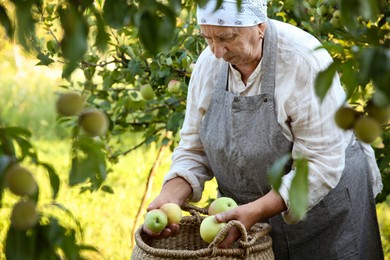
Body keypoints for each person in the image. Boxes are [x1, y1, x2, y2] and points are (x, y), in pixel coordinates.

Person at [144, 0, 384, 259]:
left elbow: (321, 163)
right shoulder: (209, 66)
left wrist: (255, 210)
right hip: (248, 221)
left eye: (226, 37)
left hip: (326, 214)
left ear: (260, 25)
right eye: (207, 38)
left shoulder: (302, 62)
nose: (217, 51)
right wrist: (169, 197)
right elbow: (194, 148)